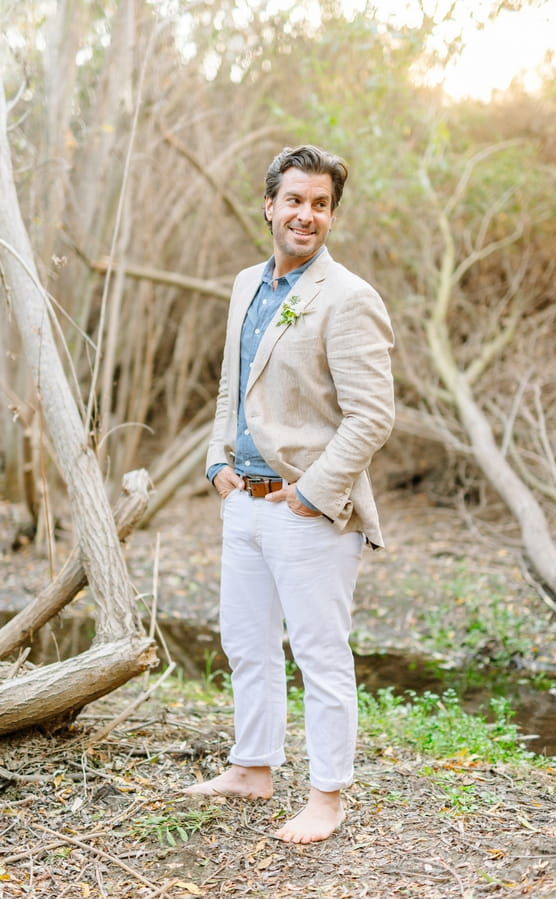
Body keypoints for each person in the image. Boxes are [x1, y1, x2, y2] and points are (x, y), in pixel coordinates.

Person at [184, 144, 395, 844]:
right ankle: (252, 766)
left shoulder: (350, 297)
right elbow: (230, 384)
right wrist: (217, 462)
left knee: (320, 654)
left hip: (308, 510)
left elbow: (373, 414)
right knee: (246, 641)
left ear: (331, 214)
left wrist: (313, 494)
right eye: (295, 200)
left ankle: (326, 796)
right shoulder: (247, 284)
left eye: (321, 204)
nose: (306, 215)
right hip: (242, 499)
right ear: (270, 204)